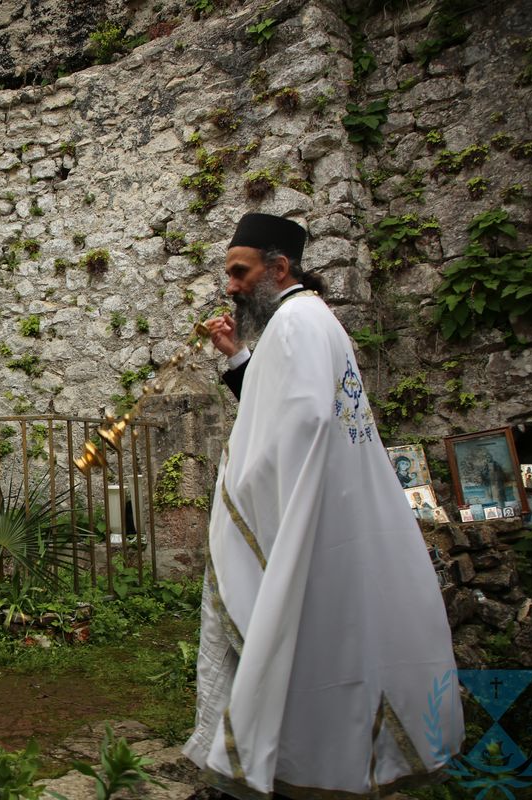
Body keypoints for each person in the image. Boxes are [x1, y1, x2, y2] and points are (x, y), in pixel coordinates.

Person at [187, 213, 463, 799]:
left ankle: (307, 766)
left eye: (240, 273)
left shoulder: (295, 324)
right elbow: (281, 404)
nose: (230, 286)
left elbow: (305, 425)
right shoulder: (308, 319)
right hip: (331, 514)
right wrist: (237, 357)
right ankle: (328, 763)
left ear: (278, 267)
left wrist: (245, 485)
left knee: (311, 650)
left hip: (311, 522)